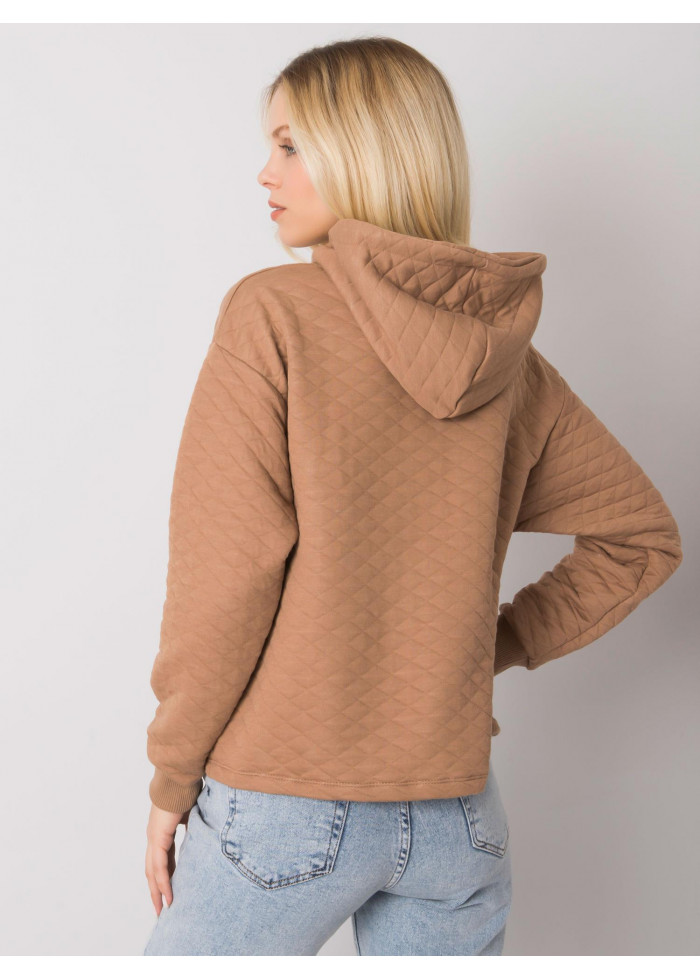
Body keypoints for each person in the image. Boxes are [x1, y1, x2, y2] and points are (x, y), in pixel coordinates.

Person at [142, 37, 683, 956]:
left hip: (285, 801)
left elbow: (225, 578)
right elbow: (643, 539)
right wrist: (477, 649)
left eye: (290, 145)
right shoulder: (510, 363)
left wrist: (170, 777)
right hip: (455, 816)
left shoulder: (271, 314)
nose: (265, 171)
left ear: (366, 154)